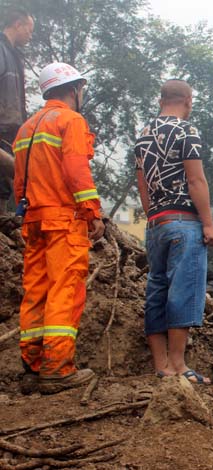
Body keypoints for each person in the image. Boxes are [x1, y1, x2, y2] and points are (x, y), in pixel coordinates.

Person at [13, 62, 103, 394]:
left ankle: (33, 368)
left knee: (36, 290)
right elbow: (77, 168)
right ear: (73, 90)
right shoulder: (71, 120)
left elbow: (19, 181)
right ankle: (58, 367)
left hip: (34, 219)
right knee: (65, 288)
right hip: (63, 219)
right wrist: (92, 211)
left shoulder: (26, 128)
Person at [135, 79, 213, 385]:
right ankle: (180, 365)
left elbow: (142, 185)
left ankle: (162, 366)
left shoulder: (143, 136)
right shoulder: (187, 131)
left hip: (156, 223)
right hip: (184, 221)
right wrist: (208, 223)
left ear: (161, 100)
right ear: (188, 100)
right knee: (183, 290)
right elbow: (196, 180)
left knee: (156, 291)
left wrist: (153, 217)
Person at [0, 7, 34, 212]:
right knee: (16, 172)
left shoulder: (14, 55)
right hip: (2, 127)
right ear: (17, 24)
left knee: (4, 186)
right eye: (29, 30)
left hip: (11, 132)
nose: (30, 36)